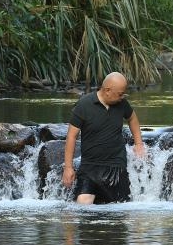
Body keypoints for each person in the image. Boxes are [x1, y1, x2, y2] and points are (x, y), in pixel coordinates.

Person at [61, 72, 146, 204]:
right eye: (120, 93)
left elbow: (132, 118)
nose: (122, 97)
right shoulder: (84, 105)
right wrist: (68, 167)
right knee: (83, 203)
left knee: (120, 209)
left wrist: (139, 143)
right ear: (107, 90)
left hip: (116, 166)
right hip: (90, 167)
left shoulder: (122, 104)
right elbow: (71, 136)